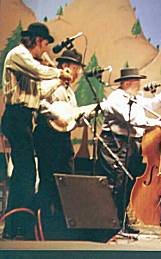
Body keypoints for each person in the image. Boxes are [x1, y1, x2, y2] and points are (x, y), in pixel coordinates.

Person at [1, 22, 72, 240]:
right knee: (26, 171)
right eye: (44, 45)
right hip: (15, 116)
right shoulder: (18, 55)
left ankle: (16, 226)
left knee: (25, 171)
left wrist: (59, 79)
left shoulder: (29, 62)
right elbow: (39, 71)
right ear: (39, 41)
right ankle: (16, 224)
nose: (45, 51)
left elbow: (39, 90)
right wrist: (58, 71)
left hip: (24, 118)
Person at [97, 67, 161, 231]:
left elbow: (153, 104)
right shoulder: (116, 97)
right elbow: (132, 119)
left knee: (128, 183)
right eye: (137, 81)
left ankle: (121, 221)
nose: (140, 84)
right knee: (116, 182)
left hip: (131, 143)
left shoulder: (134, 97)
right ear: (128, 83)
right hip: (115, 143)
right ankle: (111, 223)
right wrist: (156, 123)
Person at [32, 49, 85, 237]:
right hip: (47, 136)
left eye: (79, 68)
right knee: (48, 180)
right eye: (76, 68)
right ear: (65, 67)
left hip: (63, 138)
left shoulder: (70, 91)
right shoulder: (50, 84)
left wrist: (79, 116)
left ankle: (63, 226)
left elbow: (71, 115)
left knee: (66, 180)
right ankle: (45, 226)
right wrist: (59, 115)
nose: (78, 72)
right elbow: (41, 104)